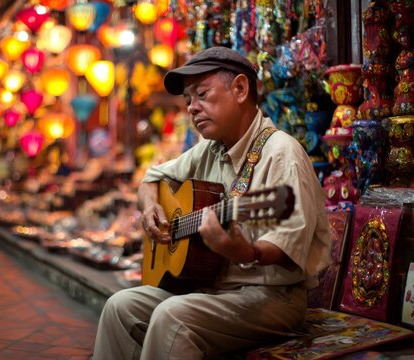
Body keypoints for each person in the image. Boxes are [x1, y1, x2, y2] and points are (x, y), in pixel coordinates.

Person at [92, 47, 331, 359]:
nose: (192, 108)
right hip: (212, 289)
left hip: (272, 298)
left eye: (202, 94)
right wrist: (150, 206)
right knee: (119, 306)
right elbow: (151, 179)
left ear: (241, 89)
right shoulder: (209, 149)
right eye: (188, 100)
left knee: (173, 316)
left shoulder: (282, 153)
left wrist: (245, 251)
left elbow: (288, 249)